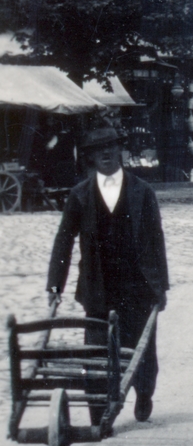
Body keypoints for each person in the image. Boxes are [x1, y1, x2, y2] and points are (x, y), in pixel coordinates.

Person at [46, 124, 168, 423]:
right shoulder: (80, 195)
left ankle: (143, 394)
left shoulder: (142, 191)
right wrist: (54, 284)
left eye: (110, 147)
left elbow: (155, 238)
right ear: (89, 157)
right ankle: (98, 411)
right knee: (96, 351)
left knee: (141, 349)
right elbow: (64, 240)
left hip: (137, 285)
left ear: (120, 151)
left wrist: (161, 286)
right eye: (98, 150)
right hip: (97, 286)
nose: (105, 153)